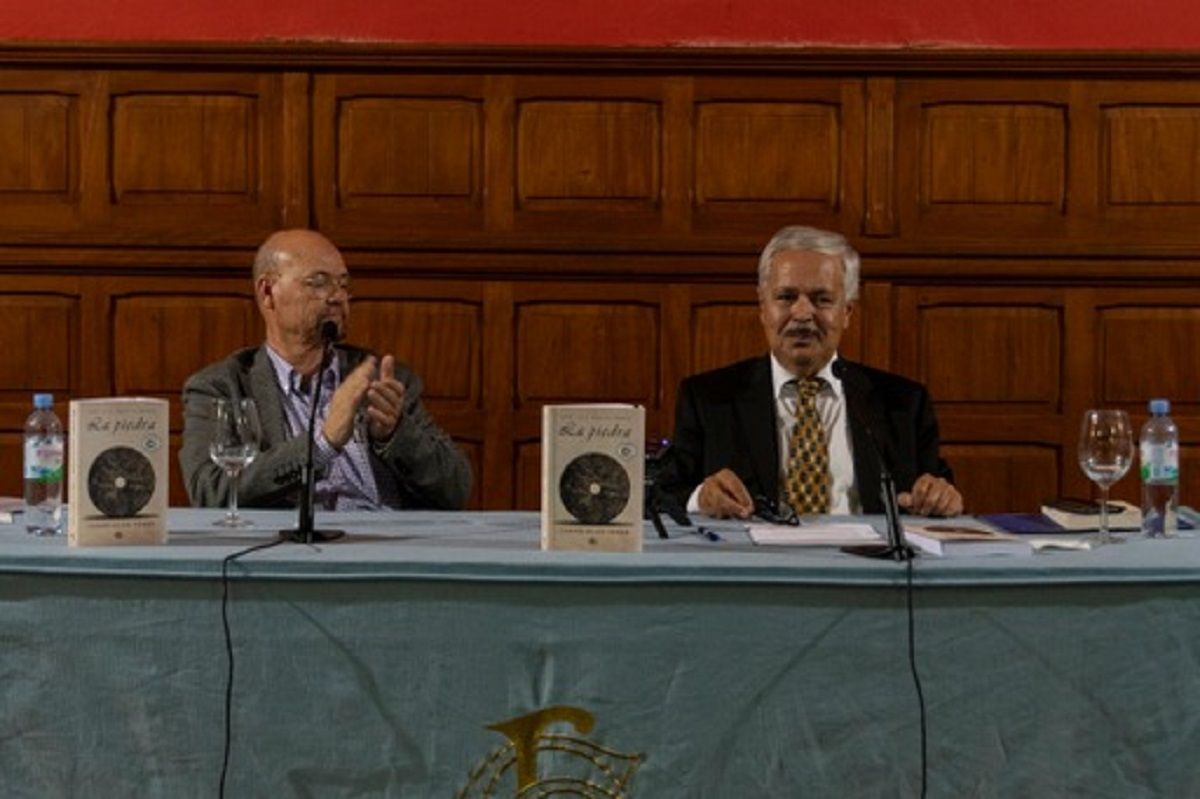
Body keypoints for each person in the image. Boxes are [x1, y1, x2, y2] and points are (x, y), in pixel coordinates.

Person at [662, 225, 963, 519]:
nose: (803, 314)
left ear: (847, 312)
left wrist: (941, 497)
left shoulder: (903, 403)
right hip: (755, 564)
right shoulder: (709, 398)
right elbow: (664, 492)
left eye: (822, 299)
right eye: (786, 297)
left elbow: (937, 490)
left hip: (867, 563)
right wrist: (700, 497)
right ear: (763, 307)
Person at [179, 229, 471, 511]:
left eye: (343, 285)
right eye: (318, 283)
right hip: (288, 551)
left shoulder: (380, 376)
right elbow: (211, 492)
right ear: (268, 292)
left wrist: (394, 434)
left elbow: (457, 488)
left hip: (383, 543)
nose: (338, 297)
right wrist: (322, 443)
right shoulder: (222, 386)